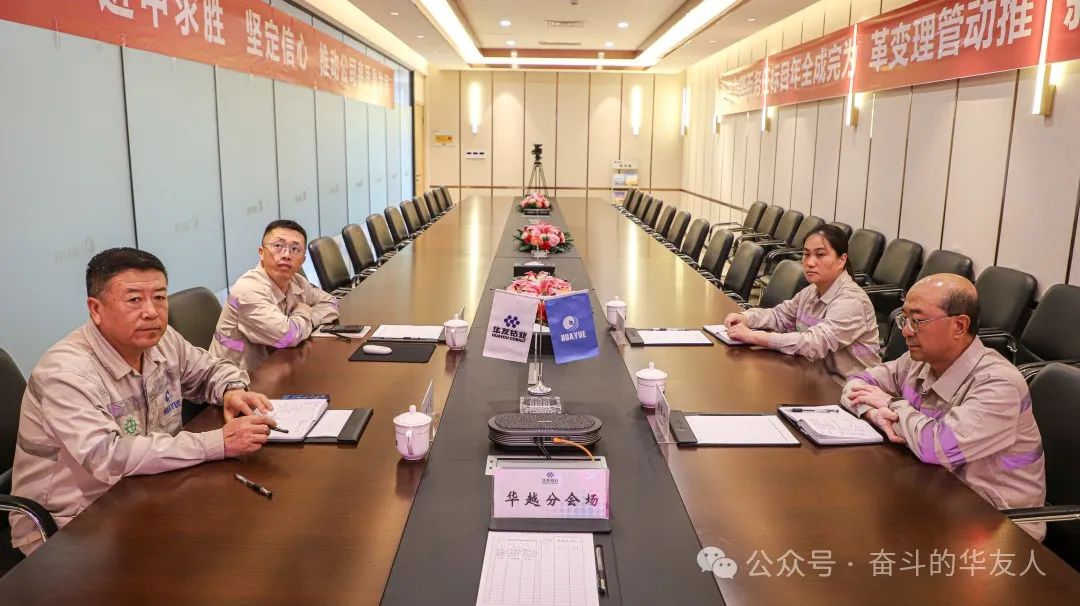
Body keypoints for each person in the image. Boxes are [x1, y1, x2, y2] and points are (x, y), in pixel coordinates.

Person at [10, 248, 278, 555]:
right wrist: (218, 443)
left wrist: (231, 389)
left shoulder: (162, 340)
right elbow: (109, 458)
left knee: (242, 534)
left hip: (146, 489)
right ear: (96, 308)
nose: (151, 312)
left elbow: (208, 370)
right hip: (70, 522)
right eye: (134, 299)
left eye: (159, 297)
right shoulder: (65, 374)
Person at [842, 274, 1046, 540]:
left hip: (996, 524)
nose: (906, 330)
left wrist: (891, 404)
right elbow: (855, 383)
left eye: (917, 321)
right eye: (905, 319)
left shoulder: (998, 383)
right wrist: (874, 414)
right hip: (935, 492)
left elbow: (936, 447)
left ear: (959, 326)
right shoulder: (920, 360)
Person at [724, 224, 881, 381]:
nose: (810, 262)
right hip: (813, 375)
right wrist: (746, 317)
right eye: (806, 254)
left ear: (842, 260)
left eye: (820, 255)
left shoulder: (852, 301)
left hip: (847, 387)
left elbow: (813, 343)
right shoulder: (812, 290)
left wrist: (754, 336)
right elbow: (779, 316)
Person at [210, 220, 339, 370]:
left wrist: (307, 320)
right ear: (261, 252)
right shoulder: (248, 289)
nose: (286, 255)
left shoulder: (297, 281)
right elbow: (288, 337)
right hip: (234, 378)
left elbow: (332, 302)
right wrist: (303, 311)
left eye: (295, 249)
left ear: (302, 260)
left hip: (276, 367)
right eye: (278, 246)